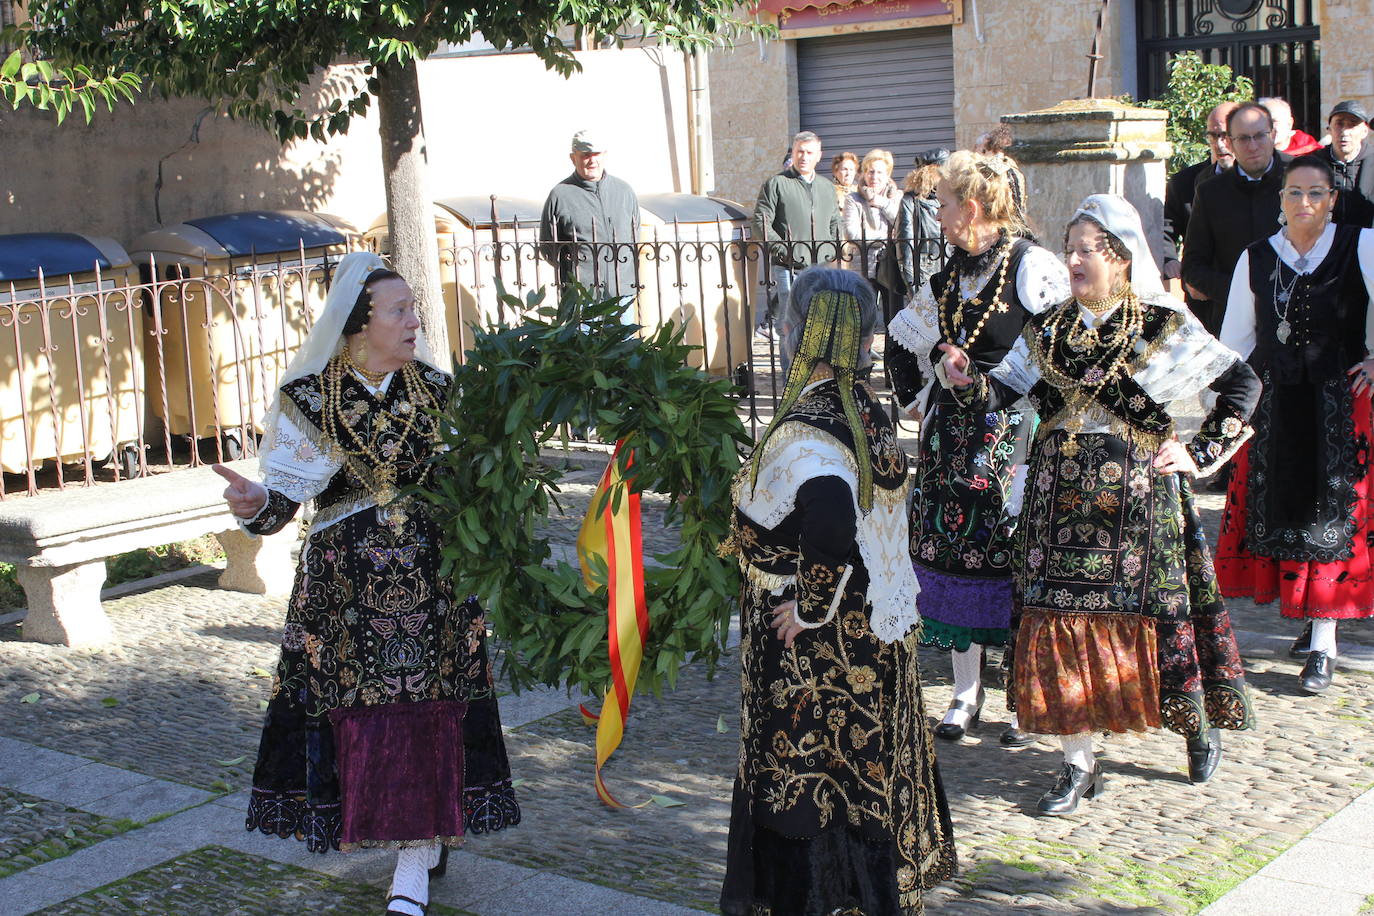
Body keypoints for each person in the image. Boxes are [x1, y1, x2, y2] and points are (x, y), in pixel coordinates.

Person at [217, 252, 520, 916]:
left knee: (430, 709)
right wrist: (254, 505)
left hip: (434, 585)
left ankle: (413, 858)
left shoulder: (438, 390)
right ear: (360, 324)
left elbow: (471, 482)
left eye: (413, 308)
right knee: (369, 715)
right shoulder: (310, 398)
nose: (414, 320)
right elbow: (283, 502)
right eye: (399, 310)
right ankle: (415, 837)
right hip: (346, 593)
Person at [939, 194, 1259, 814]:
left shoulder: (1161, 325)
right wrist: (963, 378)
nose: (1074, 259)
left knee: (1161, 620)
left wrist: (1200, 452)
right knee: (1059, 627)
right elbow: (999, 392)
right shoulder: (1049, 327)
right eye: (1069, 248)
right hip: (1056, 508)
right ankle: (1077, 764)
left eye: (1086, 249)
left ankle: (1194, 724)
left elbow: (1243, 384)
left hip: (1138, 507)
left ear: (1119, 256)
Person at [720, 266, 956, 916]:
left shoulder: (811, 423)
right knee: (858, 773)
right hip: (871, 632)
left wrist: (809, 604)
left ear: (802, 331)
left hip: (818, 652)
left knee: (812, 777)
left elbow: (829, 517)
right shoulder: (866, 412)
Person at [885, 150, 1070, 747]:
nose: (935, 215)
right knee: (950, 559)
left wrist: (993, 384)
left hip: (1010, 437)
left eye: (942, 204)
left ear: (972, 207)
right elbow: (901, 339)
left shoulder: (1029, 264)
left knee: (1011, 558)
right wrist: (923, 391)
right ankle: (967, 692)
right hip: (948, 444)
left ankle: (1022, 695)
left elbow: (1062, 349)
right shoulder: (947, 277)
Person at [1215, 155, 1374, 694]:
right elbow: (1236, 337)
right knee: (1284, 510)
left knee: (1332, 517)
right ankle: (1310, 620)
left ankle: (1325, 643)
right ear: (1280, 200)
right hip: (1276, 402)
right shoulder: (1257, 257)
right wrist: (1230, 407)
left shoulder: (1362, 245)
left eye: (1315, 193)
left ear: (1332, 199)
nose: (1304, 202)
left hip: (1339, 403)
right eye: (1293, 193)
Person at [1183, 101, 1291, 336]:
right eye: (1243, 138)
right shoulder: (1211, 192)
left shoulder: (1300, 177)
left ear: (1272, 135)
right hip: (1233, 319)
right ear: (1230, 143)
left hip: (1294, 315)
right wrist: (1242, 291)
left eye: (1259, 136)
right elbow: (1193, 268)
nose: (1253, 146)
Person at [751, 130, 843, 374]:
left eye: (809, 152)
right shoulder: (776, 184)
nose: (804, 157)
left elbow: (834, 220)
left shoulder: (826, 187)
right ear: (792, 153)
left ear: (818, 156)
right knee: (790, 324)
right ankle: (791, 379)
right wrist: (784, 250)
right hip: (788, 266)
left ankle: (818, 377)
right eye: (799, 151)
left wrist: (834, 247)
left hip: (821, 266)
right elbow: (761, 223)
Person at [539, 129, 641, 310]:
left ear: (604, 155)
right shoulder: (560, 195)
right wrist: (575, 270)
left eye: (596, 154)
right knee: (582, 338)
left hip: (622, 291)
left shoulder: (624, 191)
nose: (592, 160)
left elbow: (635, 236)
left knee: (624, 339)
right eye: (585, 155)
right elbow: (548, 247)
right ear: (573, 158)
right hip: (581, 294)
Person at [1162, 102, 1238, 290]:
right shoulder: (1184, 182)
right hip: (1203, 292)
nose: (1220, 144)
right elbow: (1165, 228)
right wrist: (1169, 258)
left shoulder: (1269, 179)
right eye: (1214, 135)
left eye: (1226, 135)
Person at [843, 148, 903, 322]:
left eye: (879, 172)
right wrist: (885, 238)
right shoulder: (853, 199)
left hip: (891, 264)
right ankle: (863, 350)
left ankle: (892, 350)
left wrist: (883, 204)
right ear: (864, 173)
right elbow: (852, 232)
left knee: (894, 318)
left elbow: (901, 227)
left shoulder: (897, 197)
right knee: (862, 318)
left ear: (888, 174)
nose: (874, 176)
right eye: (870, 171)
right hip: (862, 265)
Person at [896, 149, 949, 302]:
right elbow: (905, 242)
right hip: (924, 268)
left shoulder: (949, 199)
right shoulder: (911, 200)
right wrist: (911, 281)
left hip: (948, 262)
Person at [1314, 100, 1374, 227]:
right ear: (1329, 129)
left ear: (1364, 132)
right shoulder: (1313, 164)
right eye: (1339, 124)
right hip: (1325, 242)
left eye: (1352, 125)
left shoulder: (1372, 160)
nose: (1345, 132)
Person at [974, 125, 1028, 228]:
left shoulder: (990, 169)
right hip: (1017, 224)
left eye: (977, 149)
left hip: (1000, 225)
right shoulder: (1013, 168)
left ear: (984, 149)